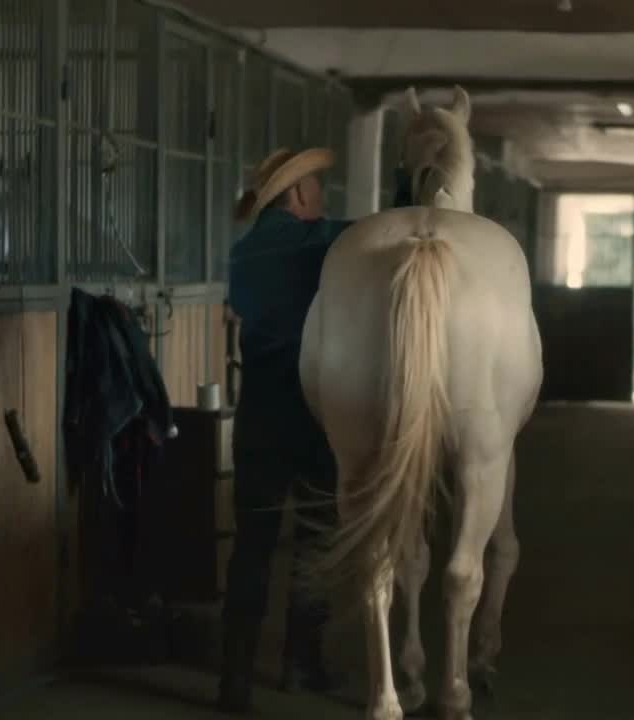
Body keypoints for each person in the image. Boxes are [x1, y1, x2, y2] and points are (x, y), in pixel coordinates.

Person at [219, 146, 411, 713]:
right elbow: (380, 235)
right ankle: (300, 664)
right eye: (317, 189)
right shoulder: (317, 241)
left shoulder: (244, 251)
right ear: (298, 194)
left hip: (256, 415)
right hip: (311, 414)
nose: (321, 197)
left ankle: (234, 679)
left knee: (250, 546)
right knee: (315, 539)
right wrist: (407, 188)